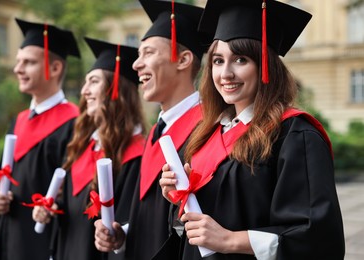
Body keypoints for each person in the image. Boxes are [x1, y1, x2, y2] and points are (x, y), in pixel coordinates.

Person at [159, 0, 345, 259]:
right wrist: (178, 198)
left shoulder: (294, 135)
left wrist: (231, 240)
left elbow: (317, 237)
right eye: (218, 60)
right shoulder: (206, 134)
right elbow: (196, 229)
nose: (226, 73)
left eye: (240, 60)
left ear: (265, 65)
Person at [93, 0, 210, 259]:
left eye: (148, 53)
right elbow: (148, 218)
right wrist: (121, 235)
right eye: (138, 55)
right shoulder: (158, 131)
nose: (136, 65)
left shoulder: (208, 130)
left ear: (182, 59)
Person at [32, 38, 146, 260]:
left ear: (115, 90)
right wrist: (51, 208)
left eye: (93, 81)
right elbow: (71, 205)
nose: (84, 91)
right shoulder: (82, 145)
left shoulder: (136, 154)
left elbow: (128, 226)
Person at [0, 18, 81, 260]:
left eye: (28, 62)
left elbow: (77, 191)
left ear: (54, 68)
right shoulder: (19, 120)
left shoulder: (75, 123)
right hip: (10, 235)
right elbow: (1, 172)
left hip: (47, 241)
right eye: (17, 62)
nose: (18, 69)